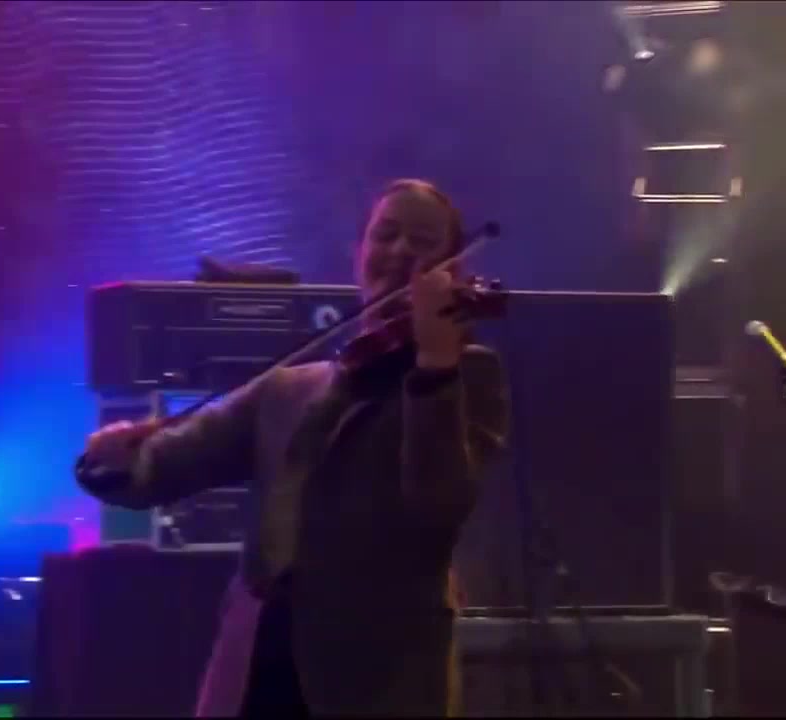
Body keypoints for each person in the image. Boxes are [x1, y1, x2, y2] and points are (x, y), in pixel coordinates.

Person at [76, 178, 509, 717]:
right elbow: (170, 462)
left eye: (422, 241)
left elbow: (438, 505)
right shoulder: (289, 387)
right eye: (386, 234)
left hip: (380, 682)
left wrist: (436, 370)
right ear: (359, 253)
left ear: (453, 270)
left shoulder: (468, 376)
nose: (400, 251)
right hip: (255, 669)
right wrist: (114, 460)